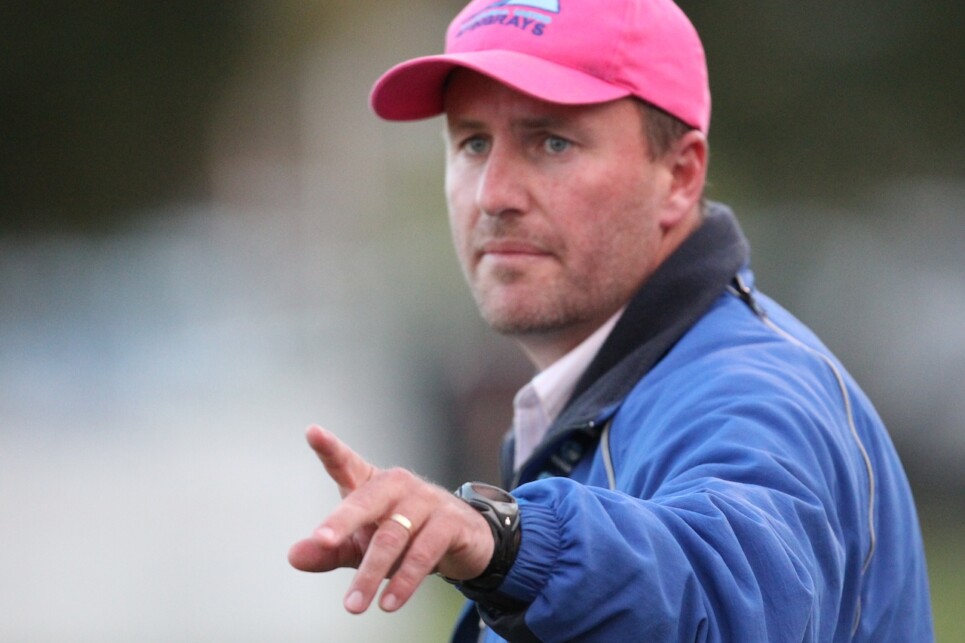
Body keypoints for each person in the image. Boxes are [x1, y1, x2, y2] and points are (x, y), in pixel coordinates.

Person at [288, 0, 934, 640]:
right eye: (473, 142)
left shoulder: (747, 392)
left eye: (552, 142)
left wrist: (505, 539)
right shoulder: (613, 398)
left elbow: (724, 595)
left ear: (679, 176)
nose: (493, 194)